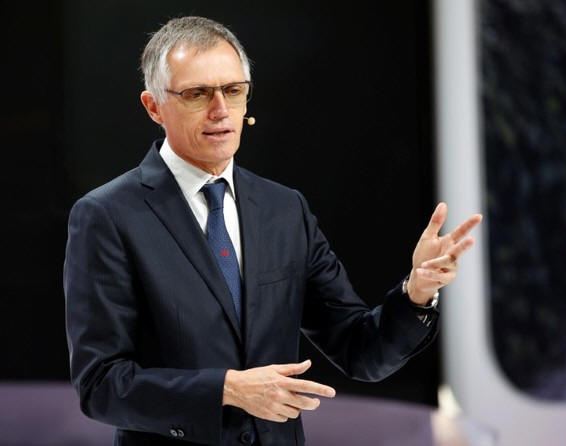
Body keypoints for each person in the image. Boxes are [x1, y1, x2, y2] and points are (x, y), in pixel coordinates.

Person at [64, 16, 482, 446]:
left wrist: (416, 293)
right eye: (196, 94)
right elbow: (101, 385)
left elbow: (361, 352)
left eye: (233, 90)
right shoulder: (107, 216)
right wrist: (226, 390)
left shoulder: (284, 209)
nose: (220, 110)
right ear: (154, 107)